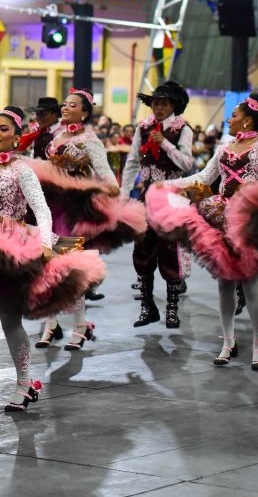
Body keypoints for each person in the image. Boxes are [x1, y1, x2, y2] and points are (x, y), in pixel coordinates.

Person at [146, 92, 258, 370]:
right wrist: (170, 186)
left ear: (248, 120)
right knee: (224, 281)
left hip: (252, 222)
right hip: (220, 217)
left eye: (234, 116)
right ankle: (227, 341)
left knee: (251, 282)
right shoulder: (224, 149)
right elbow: (204, 178)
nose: (229, 119)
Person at [0, 105, 105, 412]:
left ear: (18, 137)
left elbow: (43, 211)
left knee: (9, 319)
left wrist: (45, 245)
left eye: (4, 129)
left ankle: (24, 381)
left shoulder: (22, 169)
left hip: (10, 248)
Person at [32, 88, 146, 350]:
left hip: (75, 213)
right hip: (52, 208)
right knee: (46, 266)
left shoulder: (90, 140)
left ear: (84, 112)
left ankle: (80, 325)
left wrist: (102, 192)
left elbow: (106, 176)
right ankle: (51, 323)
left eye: (72, 105)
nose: (66, 107)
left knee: (71, 269)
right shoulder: (57, 136)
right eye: (65, 104)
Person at [120, 82, 194, 330]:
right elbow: (131, 163)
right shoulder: (142, 127)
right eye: (155, 102)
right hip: (145, 199)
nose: (158, 107)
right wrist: (124, 196)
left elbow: (187, 164)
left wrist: (164, 142)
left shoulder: (183, 129)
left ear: (174, 105)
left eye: (164, 102)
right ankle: (147, 306)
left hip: (173, 199)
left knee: (170, 251)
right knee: (142, 251)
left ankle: (172, 309)